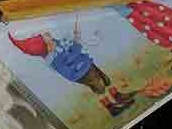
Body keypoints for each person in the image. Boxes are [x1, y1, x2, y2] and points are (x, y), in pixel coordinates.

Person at [7, 30, 136, 116]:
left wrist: (76, 40)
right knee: (99, 88)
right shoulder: (52, 59)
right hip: (82, 73)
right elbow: (70, 58)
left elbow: (74, 46)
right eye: (45, 38)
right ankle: (111, 107)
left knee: (106, 80)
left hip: (88, 63)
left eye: (47, 36)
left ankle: (118, 95)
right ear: (44, 47)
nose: (49, 36)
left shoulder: (59, 43)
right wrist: (75, 50)